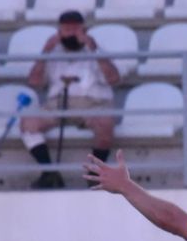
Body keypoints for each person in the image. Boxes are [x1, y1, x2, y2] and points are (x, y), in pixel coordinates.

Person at [21, 10, 121, 190]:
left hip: (92, 104)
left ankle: (95, 175)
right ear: (59, 32)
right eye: (67, 30)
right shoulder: (51, 53)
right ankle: (49, 172)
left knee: (106, 123)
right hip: (57, 105)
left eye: (76, 29)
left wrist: (94, 49)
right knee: (28, 122)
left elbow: (114, 79)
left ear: (84, 30)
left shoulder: (97, 51)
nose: (72, 34)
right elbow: (34, 82)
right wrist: (45, 51)